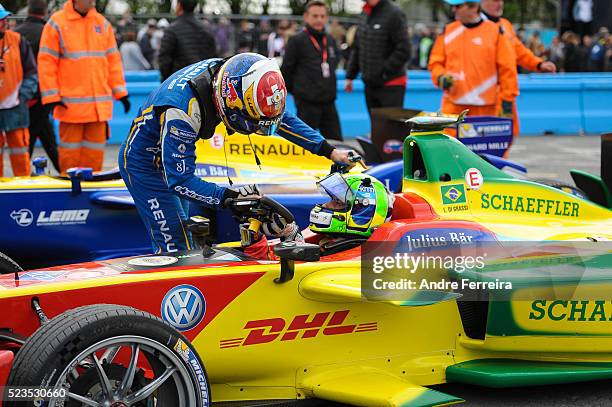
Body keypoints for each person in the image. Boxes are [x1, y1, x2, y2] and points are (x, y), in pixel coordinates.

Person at [118, 53, 359, 253]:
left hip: (172, 159)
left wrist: (329, 151)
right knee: (176, 243)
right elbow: (179, 180)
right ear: (230, 104)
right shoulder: (183, 110)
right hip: (145, 163)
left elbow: (280, 120)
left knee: (189, 231)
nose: (255, 129)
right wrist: (229, 198)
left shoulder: (237, 74)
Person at [38, 0, 130, 173]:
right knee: (69, 159)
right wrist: (51, 97)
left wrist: (121, 93)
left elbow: (113, 62)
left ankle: (89, 192)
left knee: (94, 159)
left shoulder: (102, 24)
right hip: (71, 108)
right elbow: (46, 63)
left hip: (97, 110)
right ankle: (69, 193)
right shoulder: (57, 23)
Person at [245, 173, 395, 259]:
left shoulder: (354, 259)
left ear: (362, 212)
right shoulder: (332, 244)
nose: (326, 206)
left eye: (337, 203)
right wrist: (256, 238)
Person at [428, 0, 517, 118]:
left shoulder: (495, 32)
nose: (454, 9)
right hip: (453, 107)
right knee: (450, 137)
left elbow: (507, 69)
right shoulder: (448, 31)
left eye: (458, 6)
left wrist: (506, 104)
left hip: (486, 108)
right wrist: (440, 77)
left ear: (474, 7)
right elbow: (435, 62)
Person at [480, 0, 556, 138]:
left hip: (506, 96)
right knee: (485, 141)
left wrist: (538, 64)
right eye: (495, 0)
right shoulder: (477, 28)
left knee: (505, 137)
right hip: (486, 98)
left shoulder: (505, 25)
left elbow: (519, 51)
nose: (500, 4)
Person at [282, 0, 343, 141]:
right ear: (306, 17)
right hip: (307, 105)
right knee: (304, 146)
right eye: (315, 16)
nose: (319, 20)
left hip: (329, 103)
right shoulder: (296, 41)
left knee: (338, 144)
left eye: (322, 16)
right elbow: (286, 72)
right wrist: (299, 94)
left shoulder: (330, 40)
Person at [344, 0, 411, 118]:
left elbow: (404, 49)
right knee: (377, 129)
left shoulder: (395, 13)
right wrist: (350, 76)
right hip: (370, 84)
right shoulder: (364, 14)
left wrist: (383, 72)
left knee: (391, 130)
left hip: (391, 84)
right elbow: (358, 48)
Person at [15, 0, 60, 172]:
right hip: (43, 96)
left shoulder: (15, 34)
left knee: (37, 137)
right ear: (45, 12)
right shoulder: (48, 33)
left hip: (21, 97)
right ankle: (65, 173)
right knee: (40, 138)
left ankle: (25, 174)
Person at [0, 4, 37, 177]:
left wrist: (22, 97)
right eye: (1, 19)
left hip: (16, 109)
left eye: (5, 18)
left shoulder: (17, 40)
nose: (5, 22)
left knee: (20, 153)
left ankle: (24, 189)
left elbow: (31, 72)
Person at [158, 0, 216, 81]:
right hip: (203, 84)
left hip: (178, 83)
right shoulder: (206, 29)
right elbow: (213, 59)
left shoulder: (172, 30)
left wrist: (167, 82)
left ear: (179, 6)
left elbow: (164, 61)